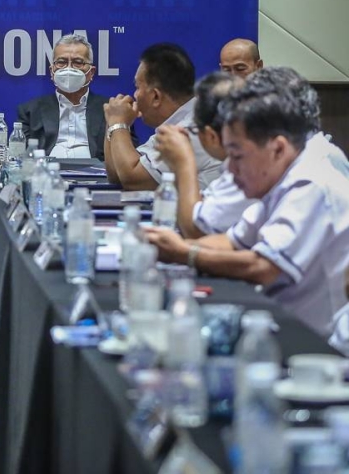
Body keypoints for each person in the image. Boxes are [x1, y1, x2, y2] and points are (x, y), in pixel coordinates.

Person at [146, 78, 349, 336]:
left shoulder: (312, 180)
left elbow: (263, 267)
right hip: (281, 322)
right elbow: (232, 241)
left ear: (277, 148)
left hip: (315, 341)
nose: (230, 169)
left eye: (238, 156)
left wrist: (184, 252)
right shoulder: (283, 171)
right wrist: (160, 243)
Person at [104, 43, 221, 190]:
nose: (135, 95)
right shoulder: (174, 125)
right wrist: (112, 122)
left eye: (137, 87)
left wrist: (118, 122)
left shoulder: (193, 129)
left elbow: (132, 179)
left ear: (156, 96)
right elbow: (117, 174)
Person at [154, 72, 252, 238]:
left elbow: (195, 229)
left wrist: (183, 162)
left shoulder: (248, 173)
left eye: (195, 130)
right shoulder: (234, 166)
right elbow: (202, 209)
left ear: (211, 136)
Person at [18, 34, 136, 160]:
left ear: (91, 72)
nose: (69, 68)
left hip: (97, 171)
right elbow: (21, 156)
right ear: (52, 71)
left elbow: (128, 155)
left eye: (78, 62)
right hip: (47, 170)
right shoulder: (30, 110)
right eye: (61, 62)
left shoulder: (112, 110)